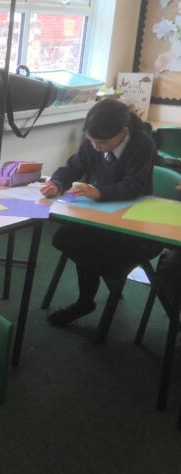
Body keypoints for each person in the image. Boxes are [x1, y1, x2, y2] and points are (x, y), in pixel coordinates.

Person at [40, 98, 163, 326]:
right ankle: (92, 295)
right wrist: (56, 184)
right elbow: (72, 167)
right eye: (91, 140)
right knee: (64, 237)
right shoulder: (93, 143)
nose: (96, 146)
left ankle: (89, 297)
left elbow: (133, 186)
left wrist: (98, 192)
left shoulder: (142, 144)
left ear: (123, 132)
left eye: (102, 142)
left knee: (88, 246)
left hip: (134, 223)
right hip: (100, 218)